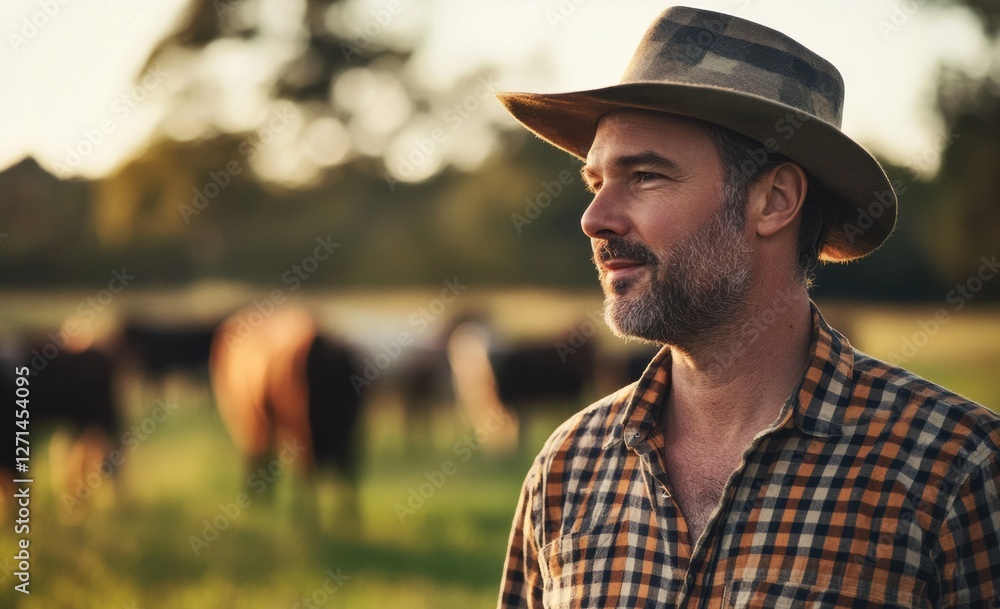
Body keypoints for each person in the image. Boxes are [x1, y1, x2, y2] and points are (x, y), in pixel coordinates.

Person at [493, 6, 1000, 607]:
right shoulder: (566, 470)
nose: (594, 218)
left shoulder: (956, 472)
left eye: (647, 175)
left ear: (774, 201)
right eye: (595, 182)